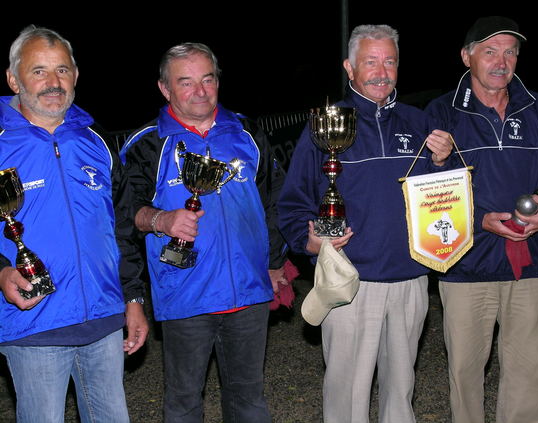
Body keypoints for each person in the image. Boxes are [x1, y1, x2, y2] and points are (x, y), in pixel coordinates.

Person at [278, 24, 453, 423]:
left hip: (411, 279)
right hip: (351, 283)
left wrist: (444, 163)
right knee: (347, 395)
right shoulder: (326, 124)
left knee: (401, 391)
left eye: (389, 61)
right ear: (350, 68)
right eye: (370, 61)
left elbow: (445, 199)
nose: (381, 71)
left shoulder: (418, 121)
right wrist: (312, 241)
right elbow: (293, 203)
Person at [120, 42, 287, 423]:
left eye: (208, 79)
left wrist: (276, 264)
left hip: (249, 293)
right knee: (183, 402)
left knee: (249, 400)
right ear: (165, 89)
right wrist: (161, 220)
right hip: (185, 295)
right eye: (186, 82)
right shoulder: (147, 143)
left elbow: (271, 201)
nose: (200, 91)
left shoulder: (247, 131)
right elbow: (126, 217)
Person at [0, 26, 148, 422]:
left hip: (102, 319)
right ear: (14, 79)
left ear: (76, 76)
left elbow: (122, 230)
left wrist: (133, 299)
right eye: (39, 71)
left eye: (62, 70)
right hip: (34, 321)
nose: (53, 82)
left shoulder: (96, 143)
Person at [425, 16, 538, 423]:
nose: (501, 61)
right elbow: (425, 194)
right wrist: (480, 219)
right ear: (467, 56)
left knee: (528, 373)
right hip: (467, 263)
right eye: (490, 51)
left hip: (529, 262)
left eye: (510, 52)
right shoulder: (441, 111)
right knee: (465, 373)